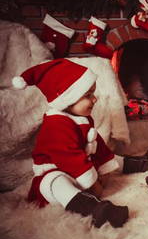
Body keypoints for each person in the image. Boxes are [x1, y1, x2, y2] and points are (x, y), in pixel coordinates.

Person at [12, 59, 129, 228]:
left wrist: (105, 168)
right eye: (88, 95)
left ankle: (137, 163)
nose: (95, 99)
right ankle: (95, 210)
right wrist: (93, 184)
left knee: (112, 157)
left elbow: (99, 145)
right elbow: (69, 158)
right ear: (68, 99)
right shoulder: (56, 124)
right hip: (57, 171)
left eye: (93, 93)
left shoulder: (82, 118)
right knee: (56, 182)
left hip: (80, 167)